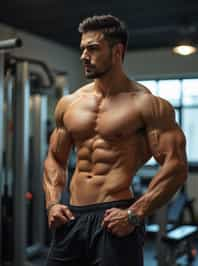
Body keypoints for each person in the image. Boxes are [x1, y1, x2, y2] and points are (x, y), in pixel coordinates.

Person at [43, 14, 188, 266]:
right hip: (71, 217)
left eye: (93, 48)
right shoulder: (70, 103)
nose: (83, 56)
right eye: (82, 49)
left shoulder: (146, 104)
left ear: (117, 51)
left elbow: (175, 166)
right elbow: (55, 158)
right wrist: (53, 203)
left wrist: (134, 213)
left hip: (115, 217)